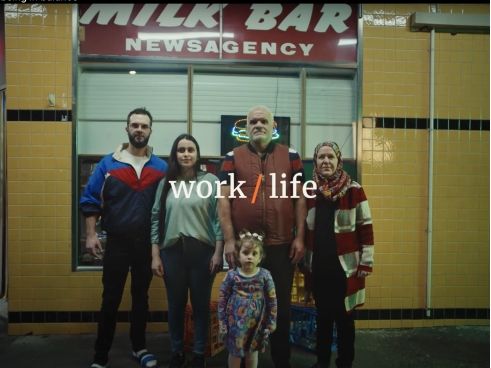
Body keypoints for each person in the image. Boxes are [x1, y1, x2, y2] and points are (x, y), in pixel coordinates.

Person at [218, 105, 306, 368]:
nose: (258, 125)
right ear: (246, 127)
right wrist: (230, 240)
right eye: (252, 121)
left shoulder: (291, 156)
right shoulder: (231, 156)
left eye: (263, 121)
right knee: (241, 309)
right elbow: (223, 200)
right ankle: (243, 360)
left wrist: (300, 237)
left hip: (280, 246)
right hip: (246, 248)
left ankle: (281, 362)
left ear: (273, 127)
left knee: (280, 307)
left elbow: (301, 197)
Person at [80, 107, 167, 368]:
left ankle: (139, 348)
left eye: (144, 126)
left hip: (146, 245)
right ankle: (100, 355)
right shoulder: (108, 164)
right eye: (135, 125)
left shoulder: (161, 167)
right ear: (126, 128)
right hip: (117, 242)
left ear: (151, 130)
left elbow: (170, 205)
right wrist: (91, 234)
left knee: (141, 298)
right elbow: (90, 199)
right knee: (111, 298)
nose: (139, 129)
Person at [150, 134, 224, 368]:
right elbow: (155, 219)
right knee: (176, 305)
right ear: (175, 154)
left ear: (197, 154)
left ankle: (199, 353)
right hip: (172, 252)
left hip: (203, 252)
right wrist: (155, 255)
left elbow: (219, 219)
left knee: (201, 306)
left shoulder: (210, 181)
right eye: (181, 150)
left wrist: (218, 252)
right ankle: (176, 352)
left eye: (190, 149)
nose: (186, 154)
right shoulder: (166, 183)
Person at [304, 141, 374, 368]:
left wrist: (366, 262)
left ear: (338, 161)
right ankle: (321, 362)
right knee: (323, 320)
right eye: (321, 157)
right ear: (315, 162)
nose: (325, 161)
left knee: (345, 321)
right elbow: (304, 229)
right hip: (320, 268)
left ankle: (345, 363)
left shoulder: (354, 190)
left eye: (330, 157)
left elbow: (366, 227)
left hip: (347, 270)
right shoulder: (310, 192)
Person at [218, 230, 277, 368]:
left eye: (254, 253)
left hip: (256, 325)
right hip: (235, 324)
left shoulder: (265, 275)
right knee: (235, 353)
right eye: (246, 253)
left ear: (260, 257)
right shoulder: (232, 275)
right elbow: (222, 299)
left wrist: (272, 321)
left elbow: (272, 300)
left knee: (253, 353)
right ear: (238, 255)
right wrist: (222, 322)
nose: (250, 257)